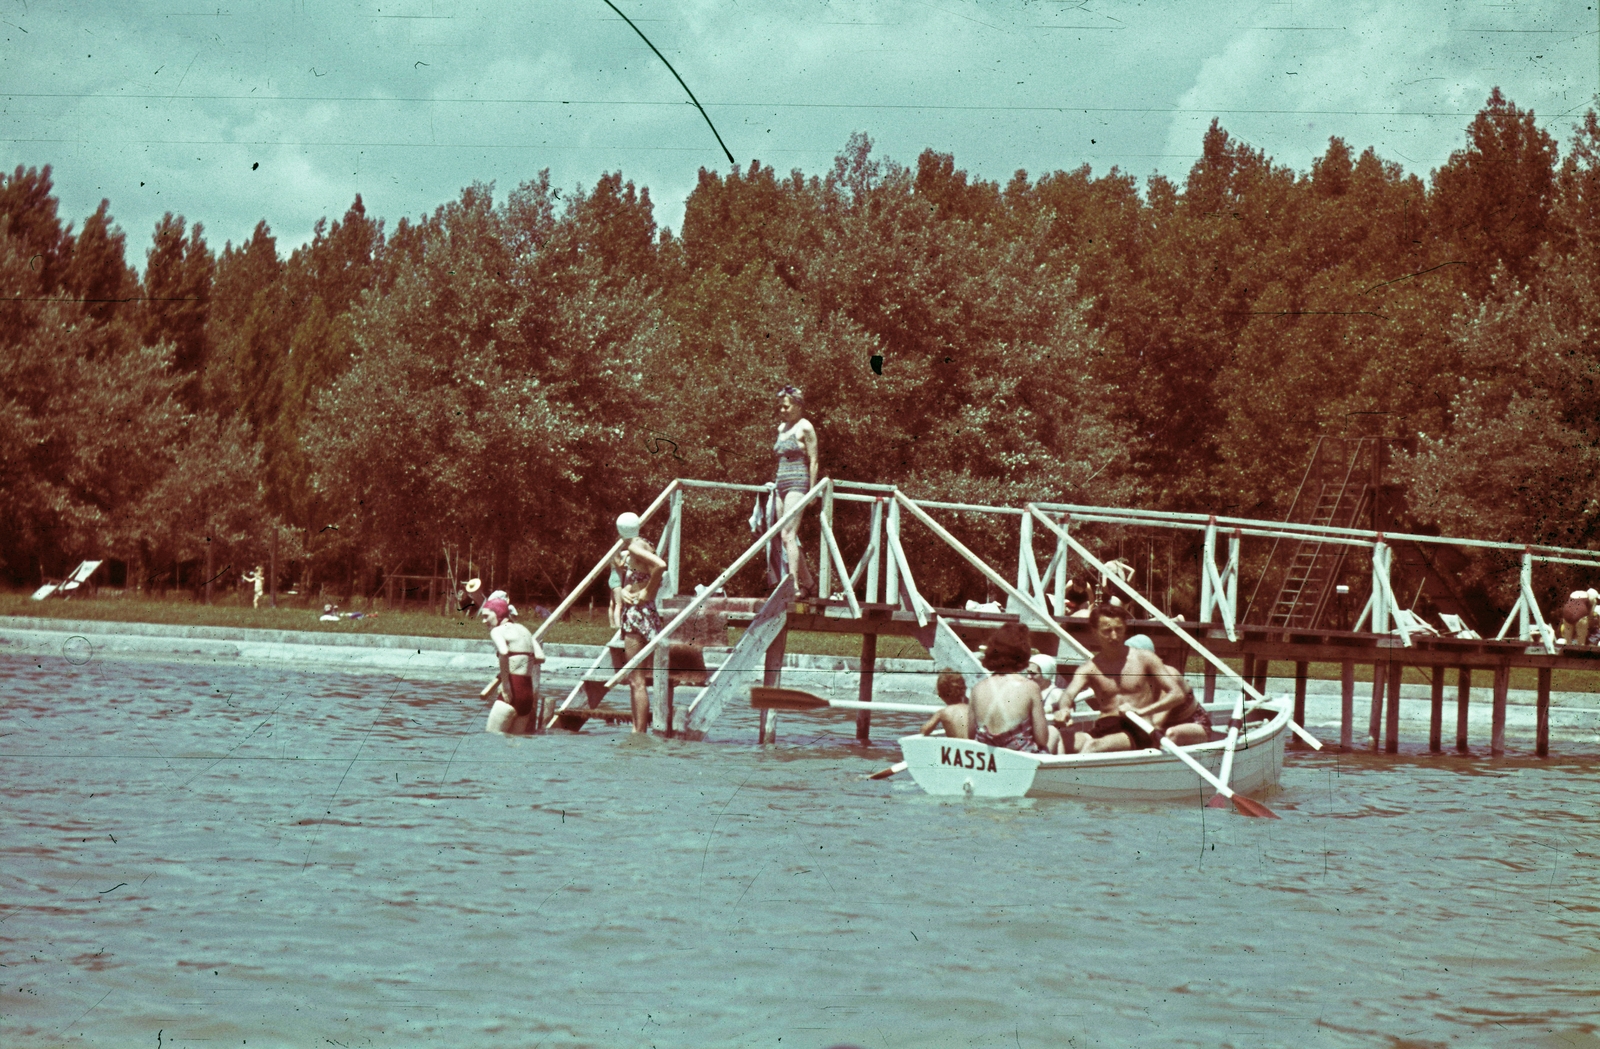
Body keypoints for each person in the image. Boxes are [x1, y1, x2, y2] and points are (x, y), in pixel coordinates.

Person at [1062, 604, 1207, 753]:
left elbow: (1167, 708)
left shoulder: (1156, 666)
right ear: (1095, 632)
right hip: (1117, 725)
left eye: (1118, 630)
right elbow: (1068, 694)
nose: (1114, 636)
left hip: (1155, 726)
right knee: (1064, 741)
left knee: (1093, 746)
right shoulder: (1091, 668)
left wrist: (1140, 712)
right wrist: (1064, 709)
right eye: (1107, 631)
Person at [611, 512, 668, 733]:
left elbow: (660, 566)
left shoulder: (635, 546)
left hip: (637, 614)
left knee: (636, 679)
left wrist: (646, 592)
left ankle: (638, 731)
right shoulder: (642, 544)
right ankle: (638, 728)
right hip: (641, 611)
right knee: (637, 678)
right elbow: (637, 571)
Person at [969, 622, 1051, 752]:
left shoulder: (977, 688)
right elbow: (1042, 739)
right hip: (1018, 760)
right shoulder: (1030, 688)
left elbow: (970, 734)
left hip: (987, 759)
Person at [773, 384, 819, 596]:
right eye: (780, 407)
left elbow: (814, 460)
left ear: (798, 406)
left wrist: (811, 491)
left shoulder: (805, 427)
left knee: (788, 534)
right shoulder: (781, 429)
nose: (782, 411)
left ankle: (793, 585)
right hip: (781, 483)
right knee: (786, 536)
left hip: (798, 483)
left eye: (786, 407)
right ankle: (809, 582)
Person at [480, 596, 543, 734]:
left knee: (492, 740)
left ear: (498, 614)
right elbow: (540, 657)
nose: (484, 621)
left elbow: (503, 652)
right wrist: (519, 663)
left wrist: (506, 685)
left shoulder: (497, 631)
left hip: (511, 691)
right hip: (527, 695)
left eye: (486, 616)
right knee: (515, 746)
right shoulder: (524, 630)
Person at [919, 669, 974, 739]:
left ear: (941, 694)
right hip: (975, 748)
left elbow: (924, 731)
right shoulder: (972, 710)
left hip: (955, 748)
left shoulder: (942, 713)